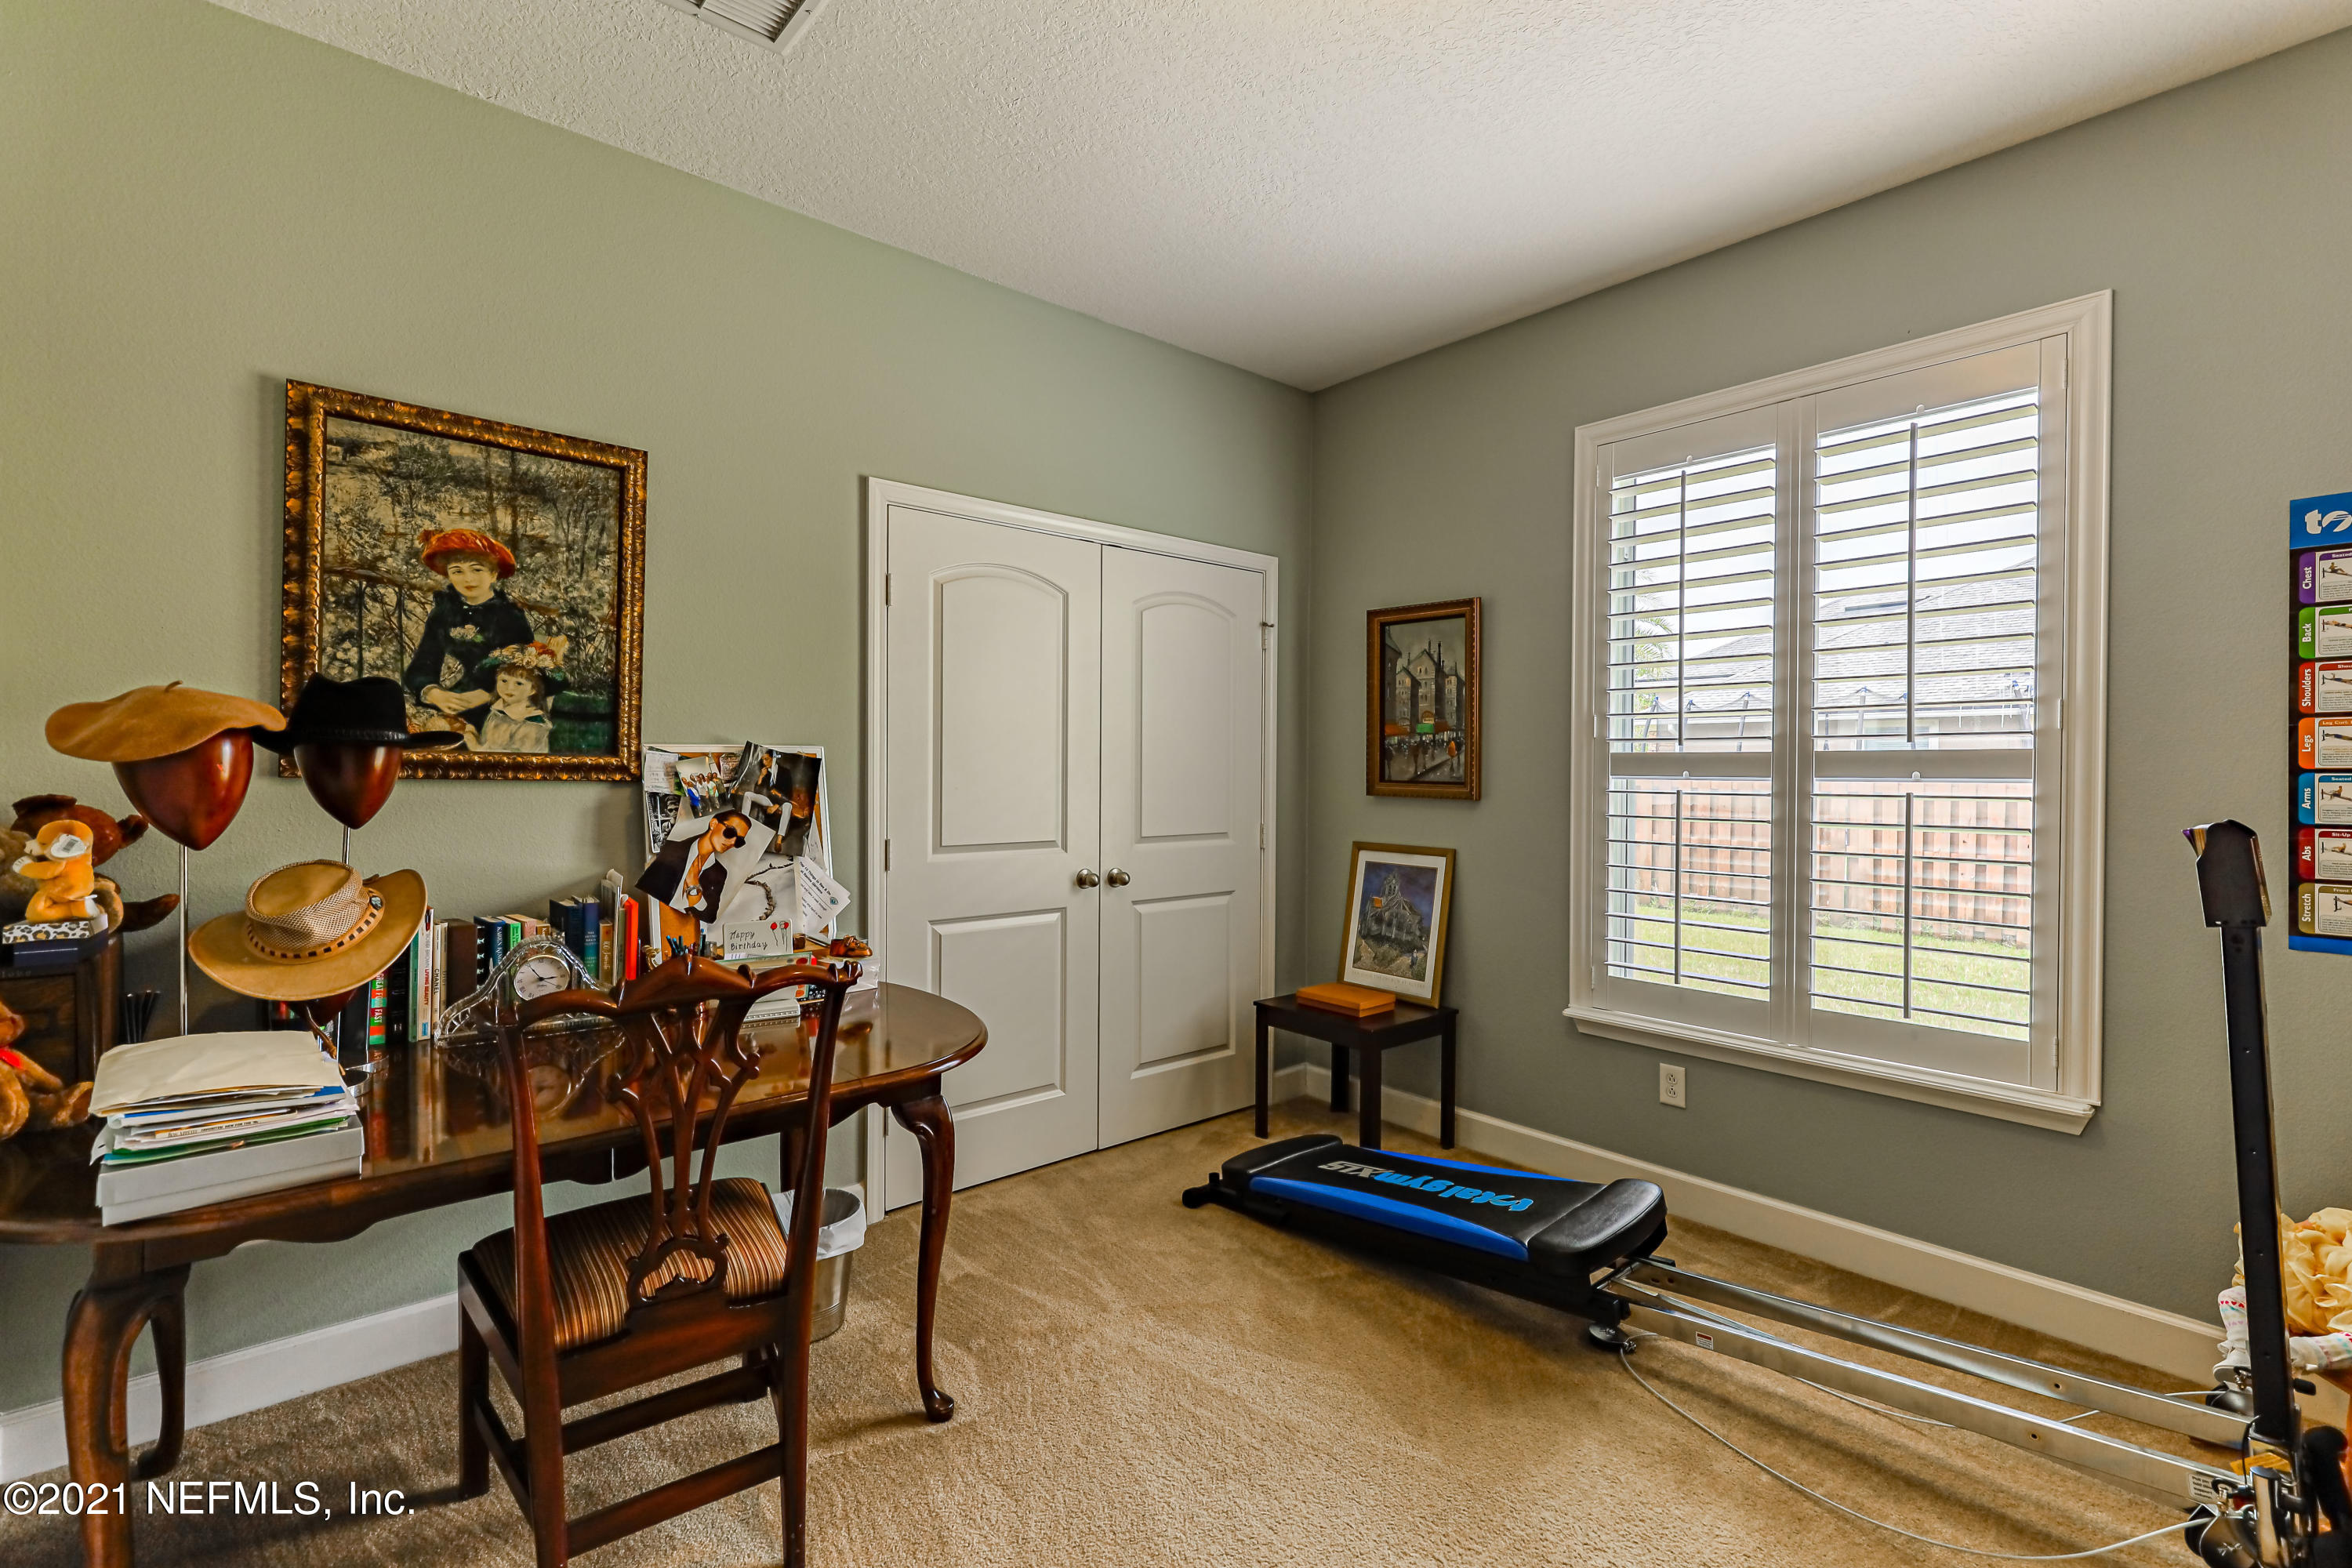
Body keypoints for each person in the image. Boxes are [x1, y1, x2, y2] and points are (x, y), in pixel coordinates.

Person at [403, 528, 536, 725]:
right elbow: (423, 664)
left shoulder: (510, 617)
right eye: (457, 571)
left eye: (477, 569)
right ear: (448, 574)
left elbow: (528, 673)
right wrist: (433, 692)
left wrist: (490, 694)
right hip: (446, 706)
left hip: (496, 708)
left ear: (493, 575)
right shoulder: (443, 613)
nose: (468, 579)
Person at [458, 639, 567, 754]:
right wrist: (475, 736)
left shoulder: (533, 724)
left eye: (519, 683)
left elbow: (517, 761)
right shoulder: (498, 712)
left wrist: (477, 749)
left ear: (533, 689)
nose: (509, 688)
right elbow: (492, 745)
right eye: (504, 680)